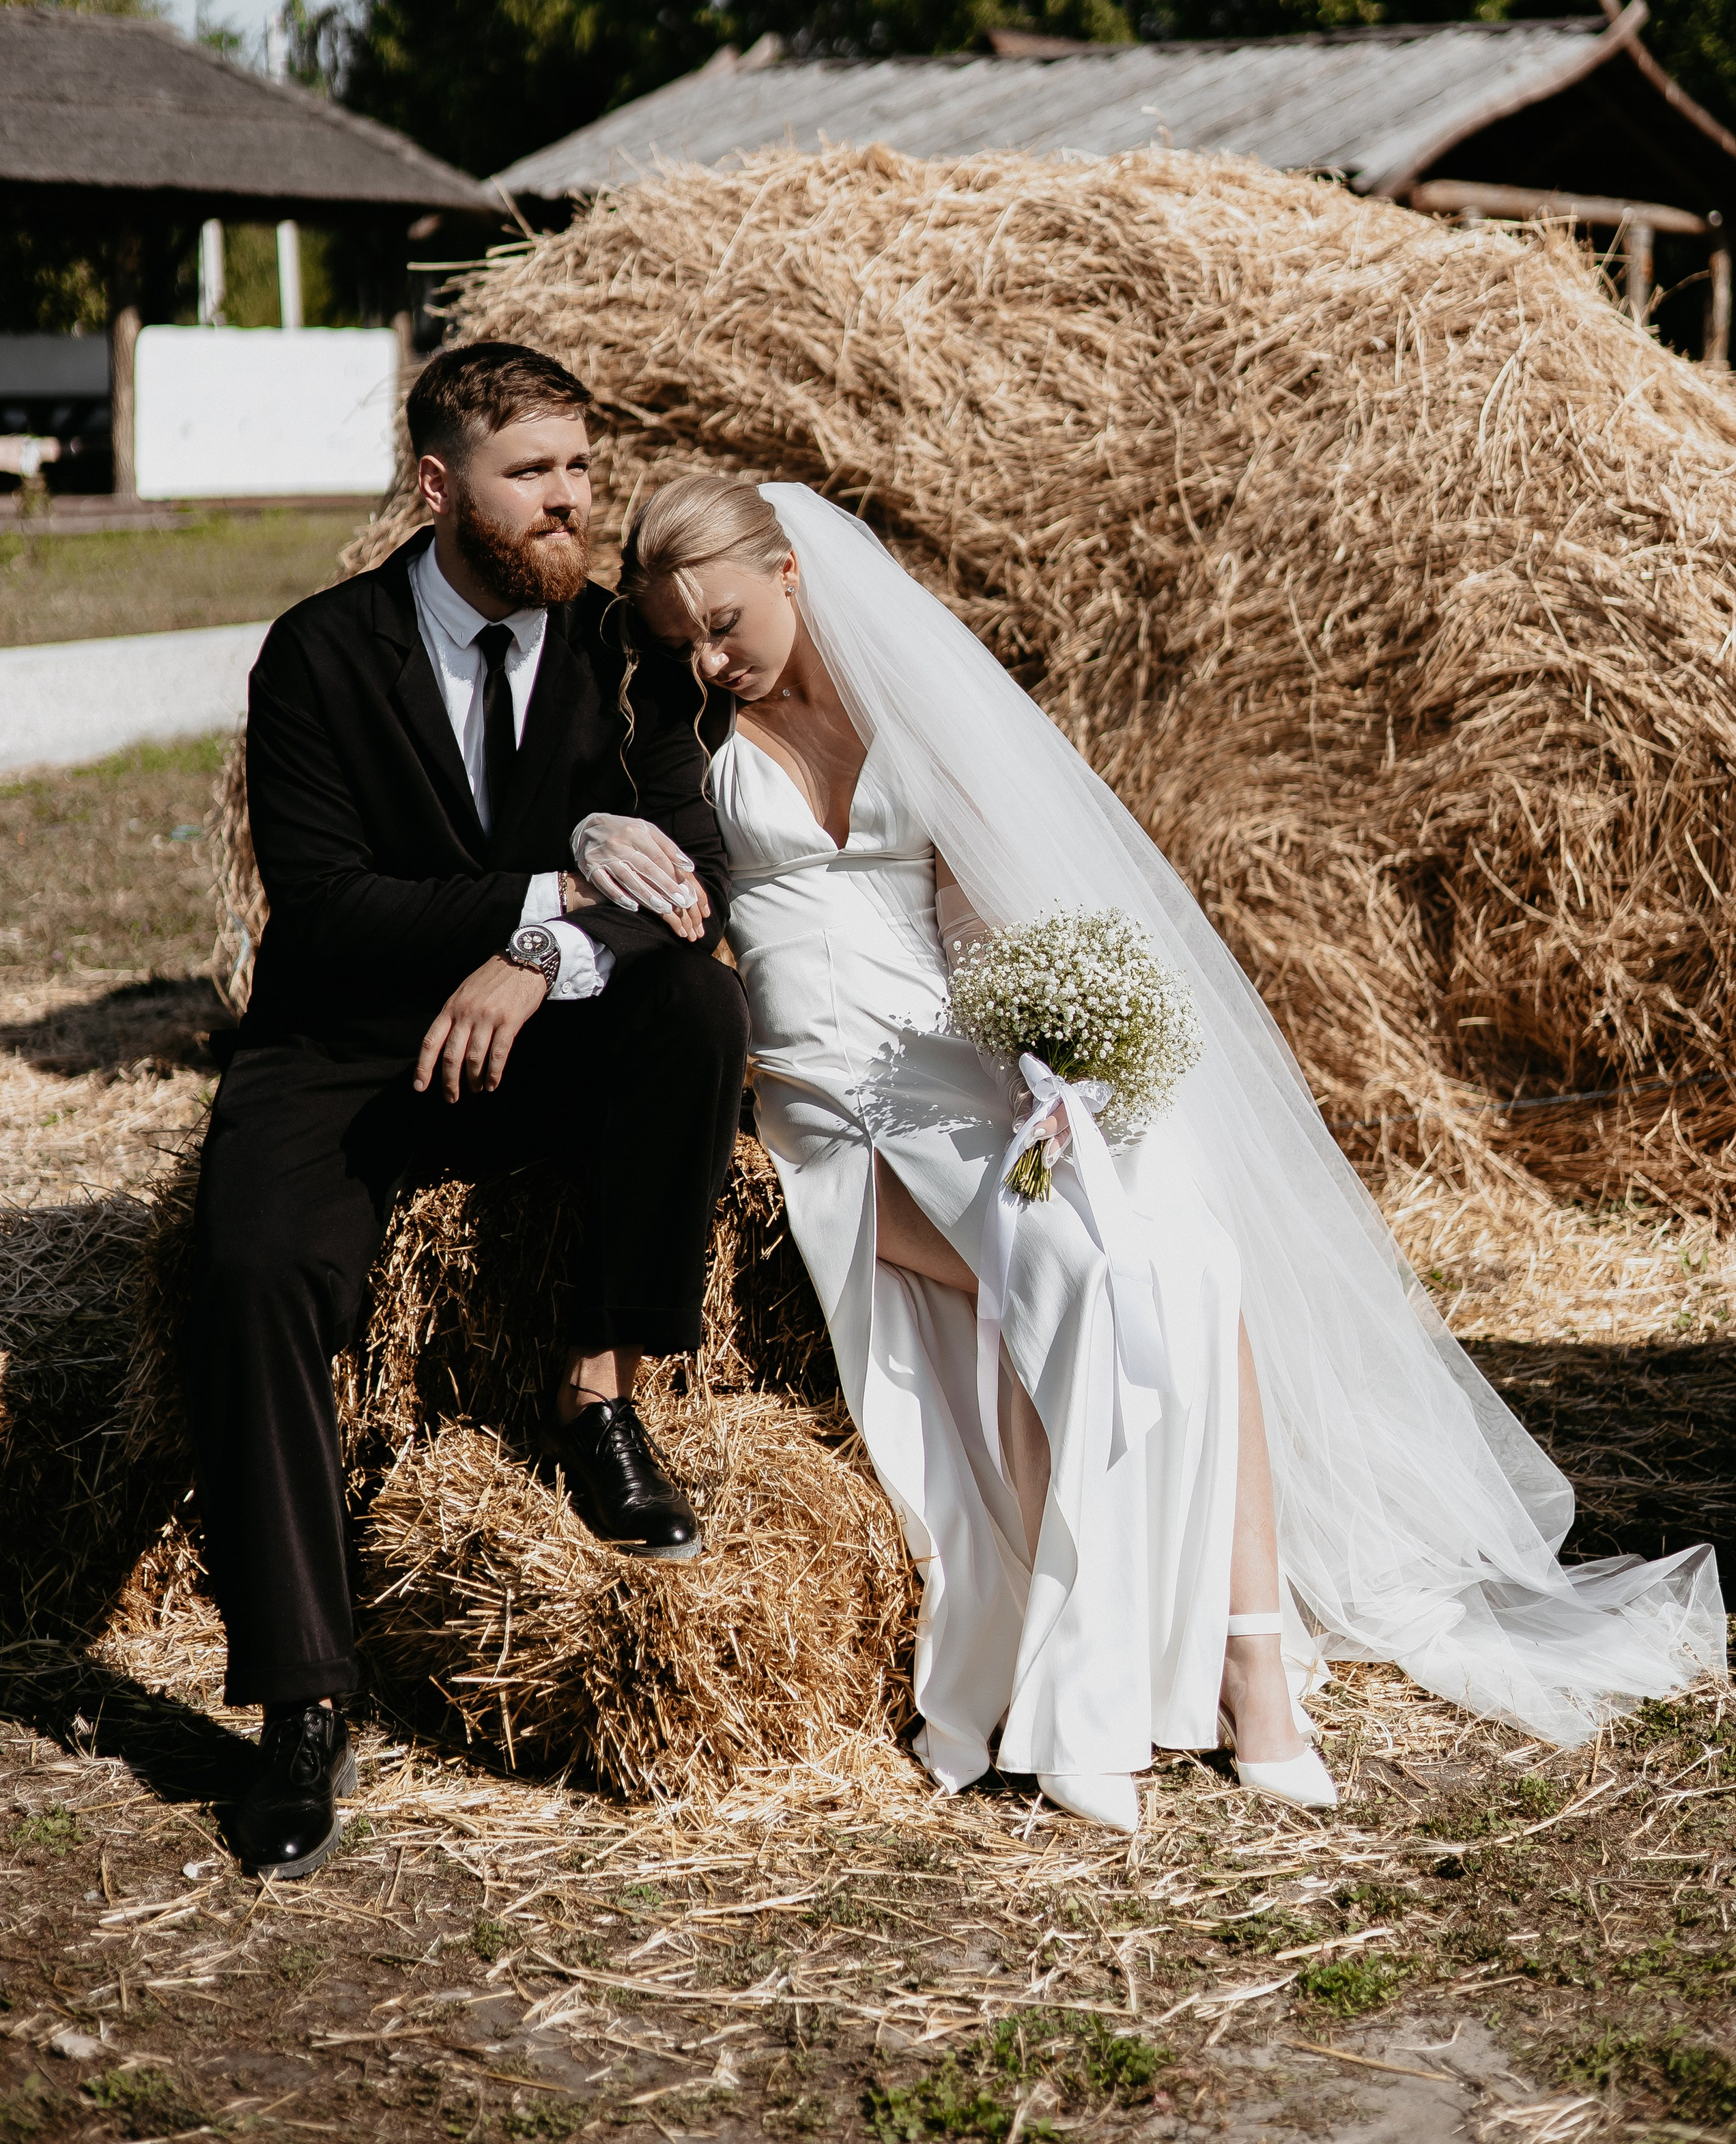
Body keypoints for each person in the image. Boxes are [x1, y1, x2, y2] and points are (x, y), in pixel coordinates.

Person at [619, 476, 1725, 1834]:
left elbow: (972, 914)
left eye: (722, 624)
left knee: (1195, 1250)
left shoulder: (905, 704)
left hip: (960, 1067)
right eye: (680, 639)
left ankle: (1251, 1662)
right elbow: (650, 881)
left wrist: (1047, 1059)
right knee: (1075, 1270)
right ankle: (1084, 1695)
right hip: (832, 1100)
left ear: (792, 571)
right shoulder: (678, 736)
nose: (706, 659)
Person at [185, 343, 748, 1880]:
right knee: (251, 1268)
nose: (571, 499)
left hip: (547, 1027)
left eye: (580, 465)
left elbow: (689, 879)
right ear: (439, 487)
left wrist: (539, 958)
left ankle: (600, 1395)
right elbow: (325, 907)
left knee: (698, 1012)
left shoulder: (622, 649)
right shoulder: (319, 653)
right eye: (533, 472)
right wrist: (544, 892)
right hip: (348, 1042)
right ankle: (302, 1696)